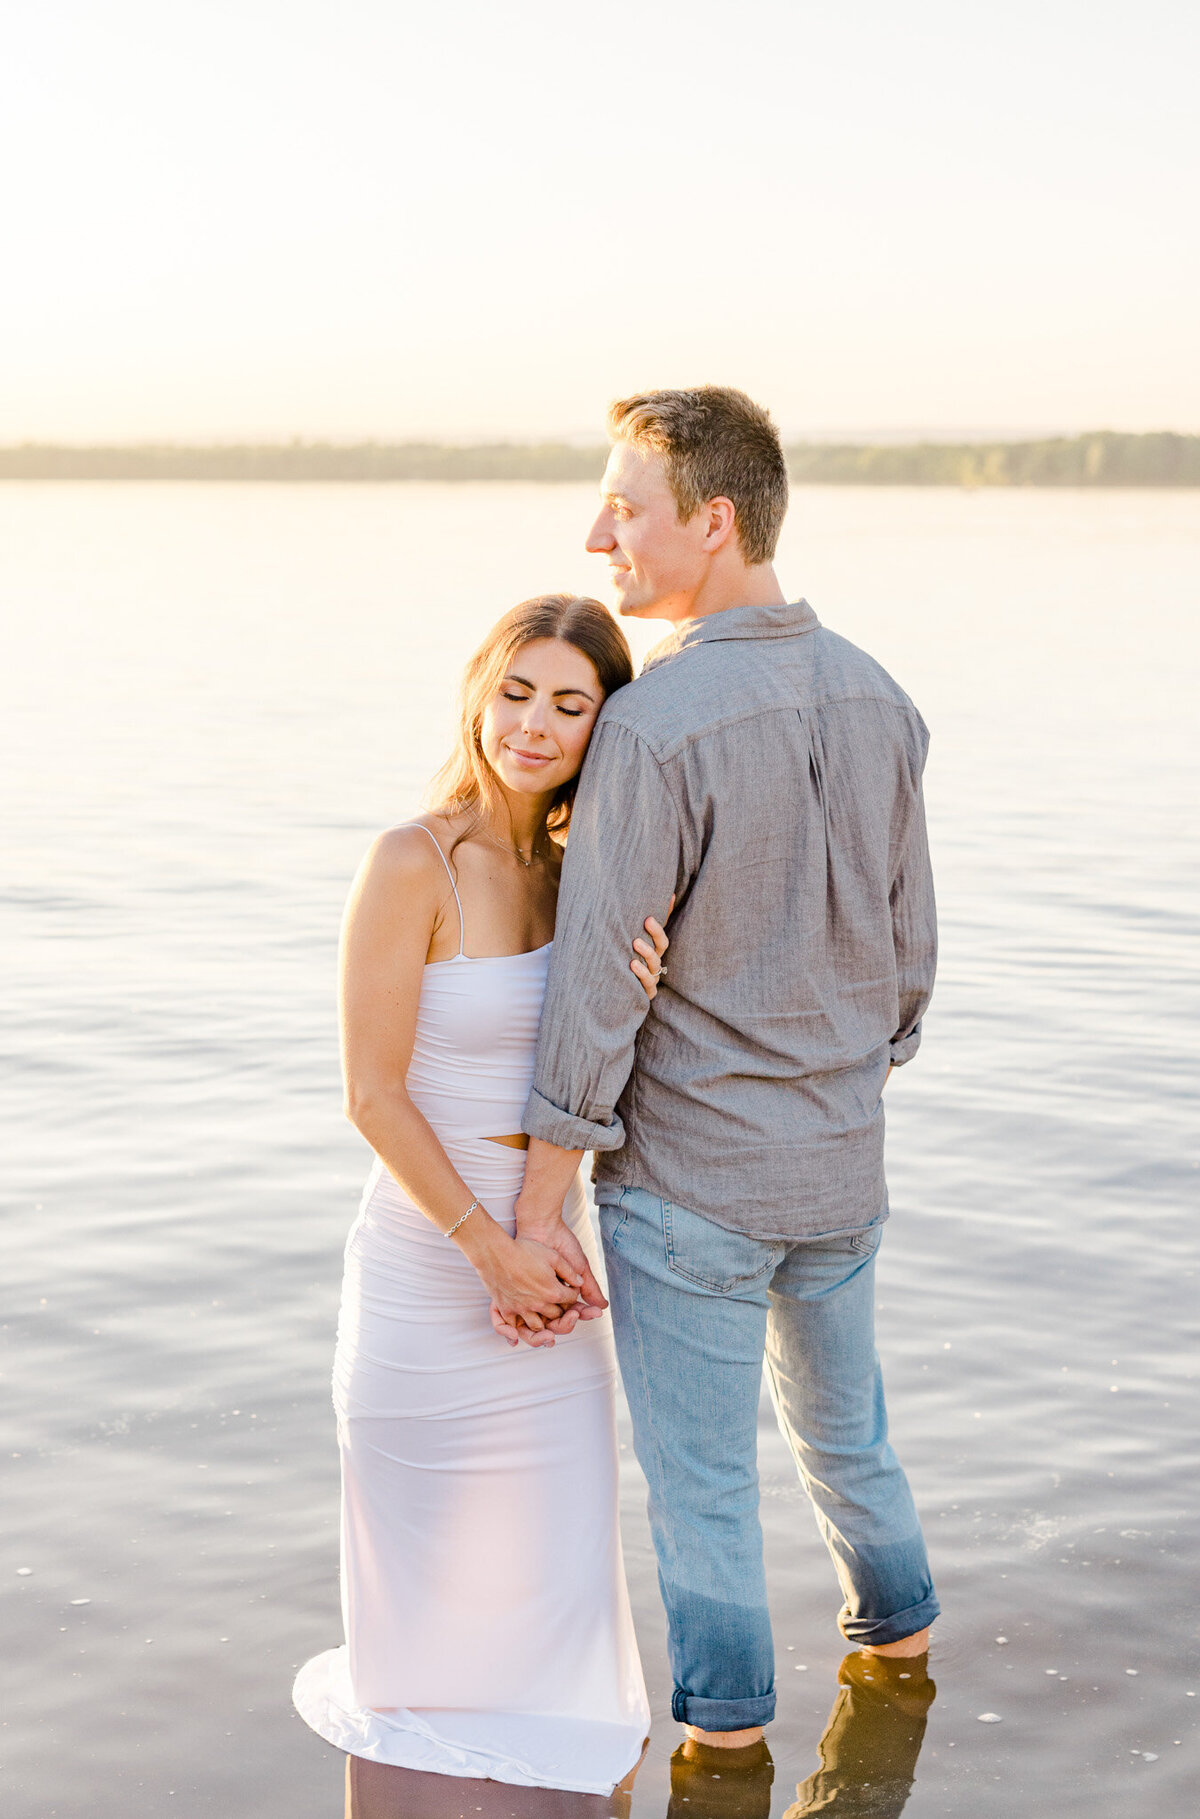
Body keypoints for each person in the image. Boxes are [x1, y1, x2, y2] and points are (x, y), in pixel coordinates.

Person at [505, 387, 940, 1754]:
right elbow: (911, 974)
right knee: (851, 1443)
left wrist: (536, 1206)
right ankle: (903, 1668)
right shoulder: (886, 697)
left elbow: (591, 1000)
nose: (599, 535)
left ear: (713, 518)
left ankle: (728, 1750)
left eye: (625, 507)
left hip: (691, 1183)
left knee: (703, 1494)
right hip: (841, 1170)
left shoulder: (654, 724)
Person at [293, 594, 665, 1796]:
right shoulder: (413, 859)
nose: (534, 725)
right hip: (427, 1280)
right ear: (477, 692)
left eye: (570, 704)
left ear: (604, 724)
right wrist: (486, 1251)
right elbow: (371, 1094)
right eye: (517, 693)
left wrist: (641, 994)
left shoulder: (585, 871)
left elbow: (597, 1078)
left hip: (548, 1279)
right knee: (418, 1655)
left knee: (555, 1618)